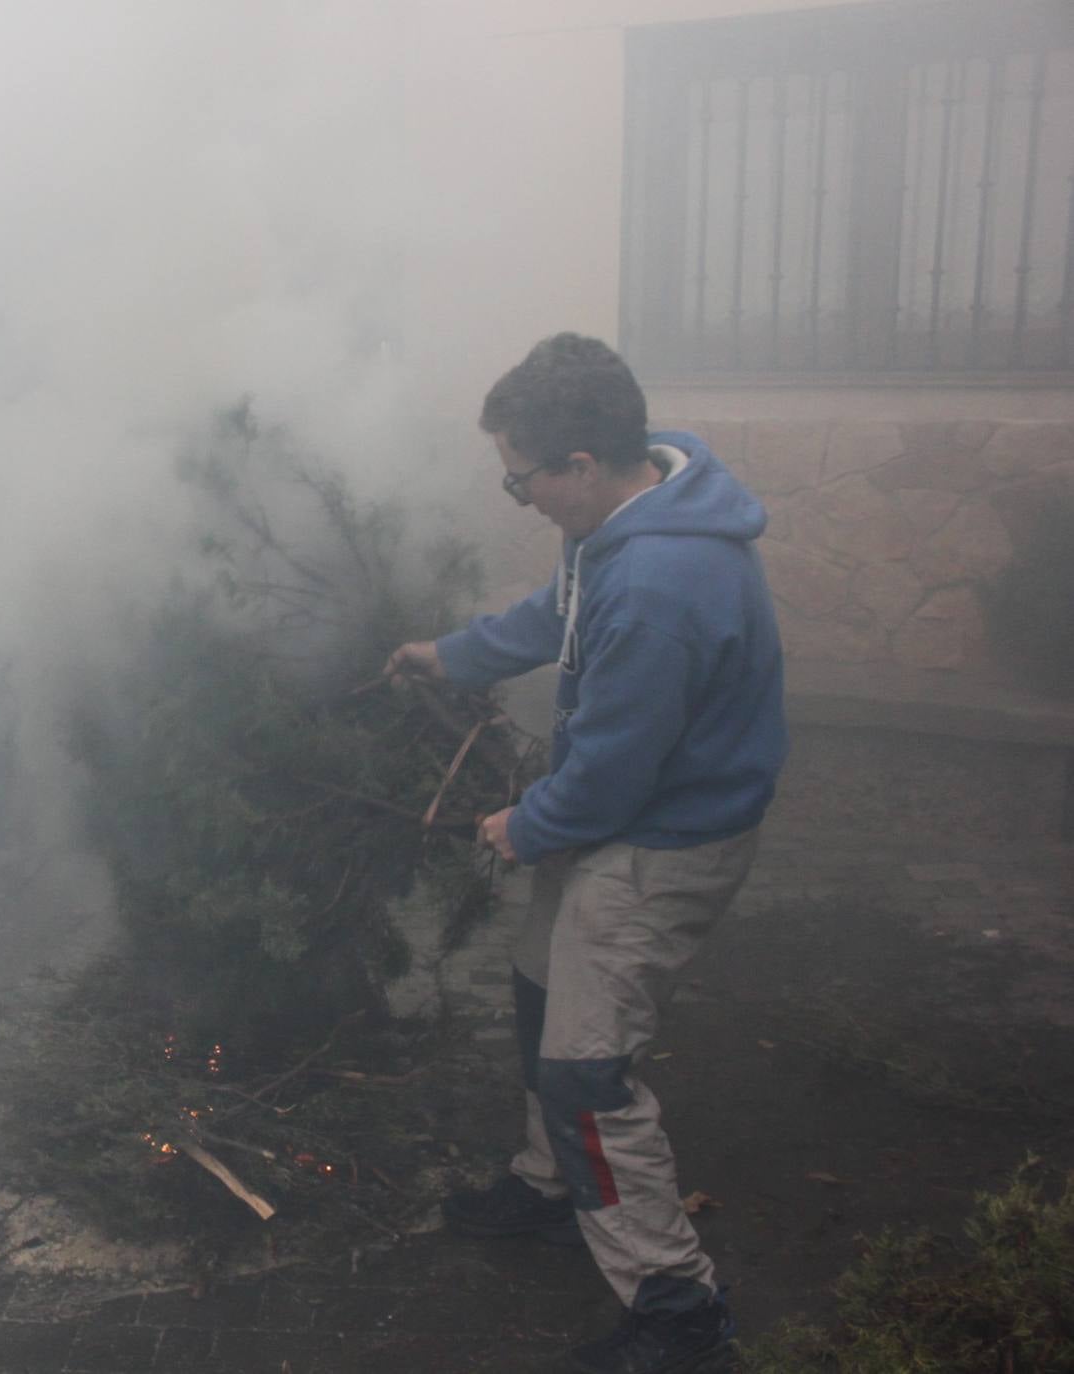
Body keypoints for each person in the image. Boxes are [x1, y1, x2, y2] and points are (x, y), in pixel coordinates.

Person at [386, 334, 786, 1374]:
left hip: (657, 847)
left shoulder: (661, 582)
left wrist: (521, 826)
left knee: (584, 1072)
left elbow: (613, 771)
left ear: (578, 466)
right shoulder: (625, 516)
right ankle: (549, 1187)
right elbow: (553, 615)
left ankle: (677, 1309)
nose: (519, 499)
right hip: (616, 822)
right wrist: (452, 653)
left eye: (521, 484)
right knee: (536, 992)